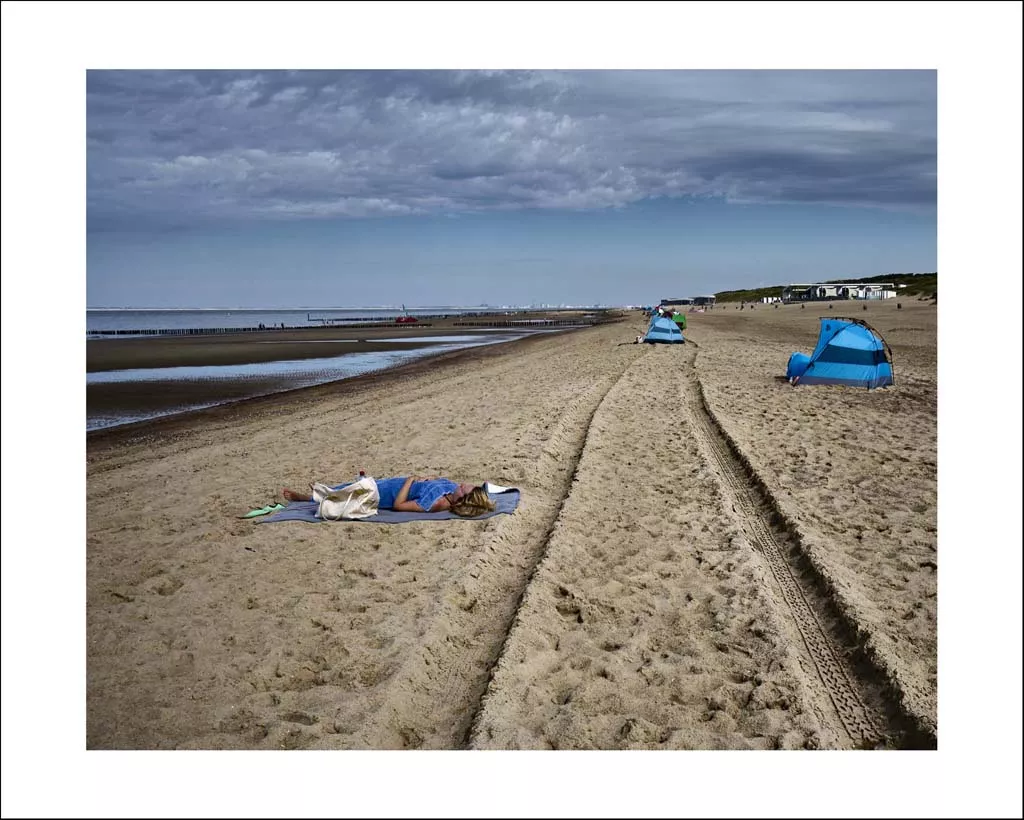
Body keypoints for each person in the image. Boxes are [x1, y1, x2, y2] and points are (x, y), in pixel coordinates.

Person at [282, 474, 497, 518]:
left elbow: (399, 506)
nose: (465, 484)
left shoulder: (437, 503)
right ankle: (311, 495)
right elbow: (434, 484)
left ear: (462, 499)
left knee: (342, 493)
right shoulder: (450, 491)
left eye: (466, 489)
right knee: (345, 487)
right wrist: (427, 480)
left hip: (382, 494)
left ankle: (303, 498)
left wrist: (411, 481)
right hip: (389, 483)